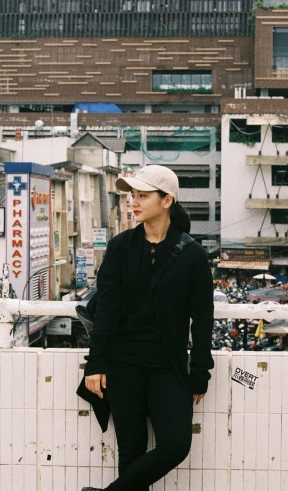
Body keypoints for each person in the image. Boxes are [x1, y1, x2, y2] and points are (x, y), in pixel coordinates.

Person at [81, 165, 214, 491]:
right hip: (122, 363)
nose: (134, 202)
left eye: (143, 195)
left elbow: (203, 317)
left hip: (167, 365)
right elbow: (108, 309)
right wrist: (95, 362)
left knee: (175, 445)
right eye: (132, 195)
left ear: (167, 200)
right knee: (131, 450)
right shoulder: (120, 247)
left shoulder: (193, 255)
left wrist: (199, 371)